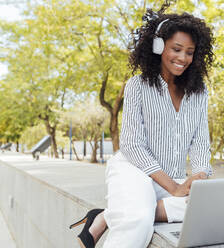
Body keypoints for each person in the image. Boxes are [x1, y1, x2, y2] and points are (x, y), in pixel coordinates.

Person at [69, 8, 215, 248]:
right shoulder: (137, 85)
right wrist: (175, 188)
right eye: (176, 49)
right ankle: (126, 211)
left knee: (210, 207)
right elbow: (133, 146)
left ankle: (108, 214)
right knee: (137, 220)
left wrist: (199, 176)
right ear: (159, 47)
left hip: (172, 176)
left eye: (189, 52)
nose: (183, 58)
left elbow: (200, 141)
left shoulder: (199, 92)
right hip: (134, 169)